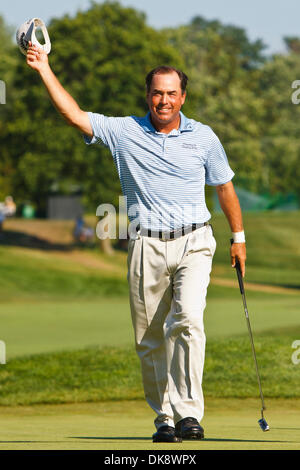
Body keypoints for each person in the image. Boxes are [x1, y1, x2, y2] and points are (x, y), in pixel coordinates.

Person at [26, 43, 246, 443]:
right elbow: (72, 115)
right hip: (146, 245)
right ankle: (164, 418)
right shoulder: (124, 131)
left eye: (172, 93)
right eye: (157, 93)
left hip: (195, 241)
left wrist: (239, 237)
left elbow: (224, 186)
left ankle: (189, 415)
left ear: (183, 97)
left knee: (189, 322)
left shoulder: (204, 137)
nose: (164, 100)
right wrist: (43, 67)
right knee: (149, 339)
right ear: (148, 96)